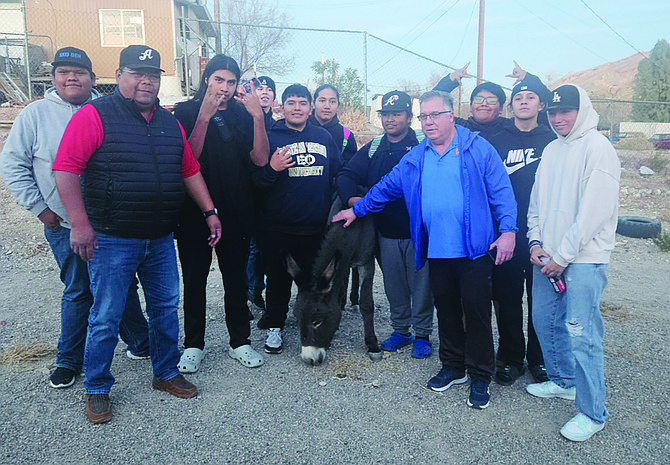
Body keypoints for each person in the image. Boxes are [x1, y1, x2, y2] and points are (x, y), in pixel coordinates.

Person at [53, 45, 222, 424]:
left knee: (164, 308)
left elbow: (188, 169)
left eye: (153, 75)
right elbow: (65, 168)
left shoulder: (168, 121)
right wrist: (79, 223)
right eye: (137, 73)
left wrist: (209, 211)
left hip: (161, 237)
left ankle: (165, 372)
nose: (146, 81)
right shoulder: (94, 115)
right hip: (113, 237)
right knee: (106, 315)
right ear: (119, 76)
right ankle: (97, 387)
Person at [334, 90, 517, 409]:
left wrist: (509, 231)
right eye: (424, 117)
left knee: (475, 312)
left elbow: (501, 190)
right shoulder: (418, 156)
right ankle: (453, 366)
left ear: (450, 115)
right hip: (437, 249)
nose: (429, 122)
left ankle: (480, 375)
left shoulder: (477, 148)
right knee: (445, 310)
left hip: (474, 249)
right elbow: (387, 187)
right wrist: (358, 209)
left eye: (434, 115)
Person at [0, 46, 150, 391]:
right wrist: (41, 209)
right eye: (64, 72)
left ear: (93, 79)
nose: (72, 78)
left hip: (114, 224)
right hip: (64, 224)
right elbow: (13, 165)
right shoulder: (35, 115)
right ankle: (69, 360)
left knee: (122, 286)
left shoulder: (112, 110)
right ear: (52, 78)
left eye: (79, 72)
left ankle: (141, 343)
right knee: (79, 290)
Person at [525, 84, 620, 442]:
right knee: (545, 321)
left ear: (582, 111)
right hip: (547, 256)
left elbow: (594, 211)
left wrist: (562, 256)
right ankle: (563, 381)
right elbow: (537, 201)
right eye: (553, 112)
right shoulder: (551, 150)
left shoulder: (598, 148)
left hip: (582, 259)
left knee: (582, 334)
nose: (559, 118)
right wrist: (535, 241)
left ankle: (593, 412)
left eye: (566, 111)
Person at [173, 55, 269, 372]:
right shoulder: (186, 111)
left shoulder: (244, 113)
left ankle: (239, 341)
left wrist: (257, 117)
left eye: (231, 82)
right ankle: (193, 345)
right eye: (218, 80)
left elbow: (259, 160)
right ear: (206, 79)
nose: (224, 88)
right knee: (195, 280)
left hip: (238, 211)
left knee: (236, 280)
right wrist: (203, 117)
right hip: (194, 213)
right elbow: (189, 161)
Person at [336, 90, 433, 358]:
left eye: (396, 114)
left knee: (422, 285)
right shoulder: (375, 147)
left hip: (419, 231)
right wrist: (353, 200)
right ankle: (401, 330)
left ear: (409, 117)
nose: (390, 120)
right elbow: (345, 174)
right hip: (385, 232)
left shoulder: (424, 146)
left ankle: (423, 333)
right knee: (394, 284)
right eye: (385, 114)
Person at [254, 83, 341, 355]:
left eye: (303, 103)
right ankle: (275, 327)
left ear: (310, 106)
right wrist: (271, 168)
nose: (297, 108)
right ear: (282, 106)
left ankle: (314, 327)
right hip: (278, 227)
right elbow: (255, 183)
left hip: (316, 228)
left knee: (314, 285)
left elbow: (338, 174)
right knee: (277, 281)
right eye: (291, 103)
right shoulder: (270, 137)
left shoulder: (324, 137)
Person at [486, 77, 556, 386]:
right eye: (518, 97)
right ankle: (511, 357)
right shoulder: (496, 139)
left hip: (544, 234)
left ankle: (540, 359)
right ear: (510, 105)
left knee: (541, 302)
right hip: (507, 235)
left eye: (530, 97)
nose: (524, 101)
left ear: (542, 104)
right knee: (508, 298)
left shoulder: (554, 140)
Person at [434, 61, 550, 139]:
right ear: (470, 106)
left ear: (501, 108)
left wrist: (529, 79)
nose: (484, 104)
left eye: (491, 100)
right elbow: (431, 110)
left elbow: (550, 110)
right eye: (479, 99)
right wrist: (449, 81)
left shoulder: (513, 127)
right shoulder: (459, 128)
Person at [309, 84, 357, 164]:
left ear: (338, 106)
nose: (327, 106)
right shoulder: (300, 128)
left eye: (332, 102)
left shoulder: (346, 135)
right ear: (313, 104)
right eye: (322, 100)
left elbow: (350, 168)